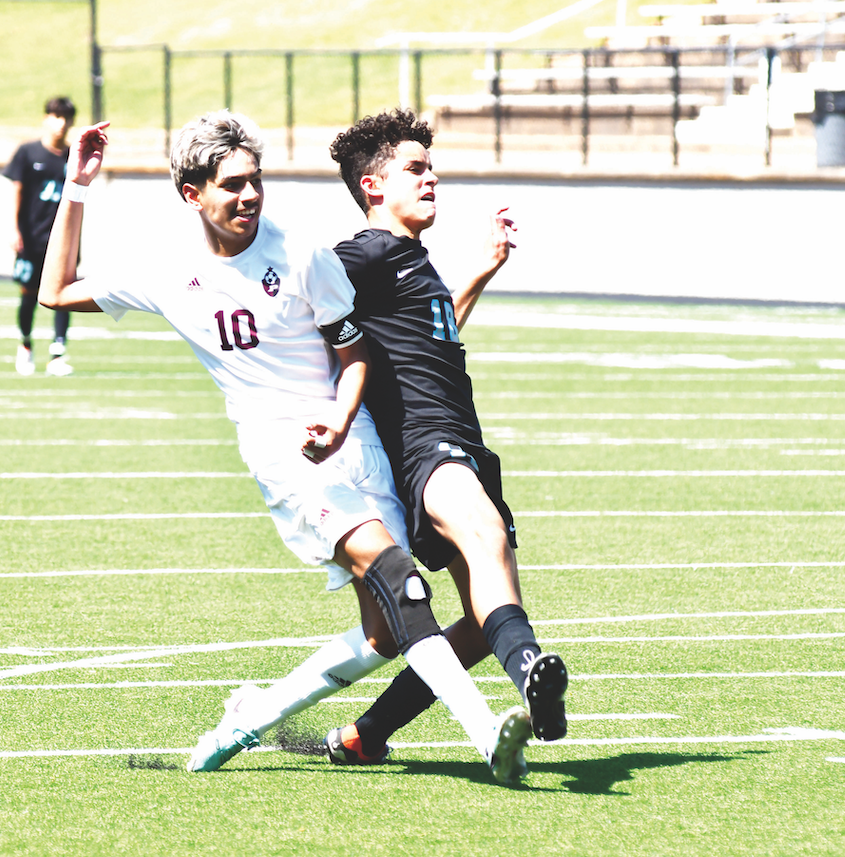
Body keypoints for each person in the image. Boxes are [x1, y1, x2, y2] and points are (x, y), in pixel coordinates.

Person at [37, 109, 533, 785]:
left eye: (256, 180)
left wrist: (337, 419)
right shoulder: (164, 270)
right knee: (403, 583)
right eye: (232, 184)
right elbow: (54, 291)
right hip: (284, 456)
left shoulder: (302, 254)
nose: (249, 195)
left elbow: (356, 352)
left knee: (385, 633)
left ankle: (249, 717)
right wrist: (79, 184)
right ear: (193, 194)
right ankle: (487, 736)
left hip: (352, 443)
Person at [319, 109, 569, 769]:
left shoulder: (410, 258)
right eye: (416, 169)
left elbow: (433, 336)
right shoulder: (364, 254)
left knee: (488, 616)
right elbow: (299, 305)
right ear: (373, 187)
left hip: (462, 439)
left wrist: (481, 272)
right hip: (424, 446)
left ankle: (365, 733)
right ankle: (533, 678)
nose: (432, 180)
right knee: (485, 541)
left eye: (432, 169)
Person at [4, 96, 78, 377]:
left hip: (62, 239)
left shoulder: (73, 156)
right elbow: (17, 192)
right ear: (46, 118)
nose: (60, 123)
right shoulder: (27, 152)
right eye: (55, 116)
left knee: (66, 293)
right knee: (29, 294)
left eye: (66, 118)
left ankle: (58, 354)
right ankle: (25, 345)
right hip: (31, 238)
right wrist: (14, 228)